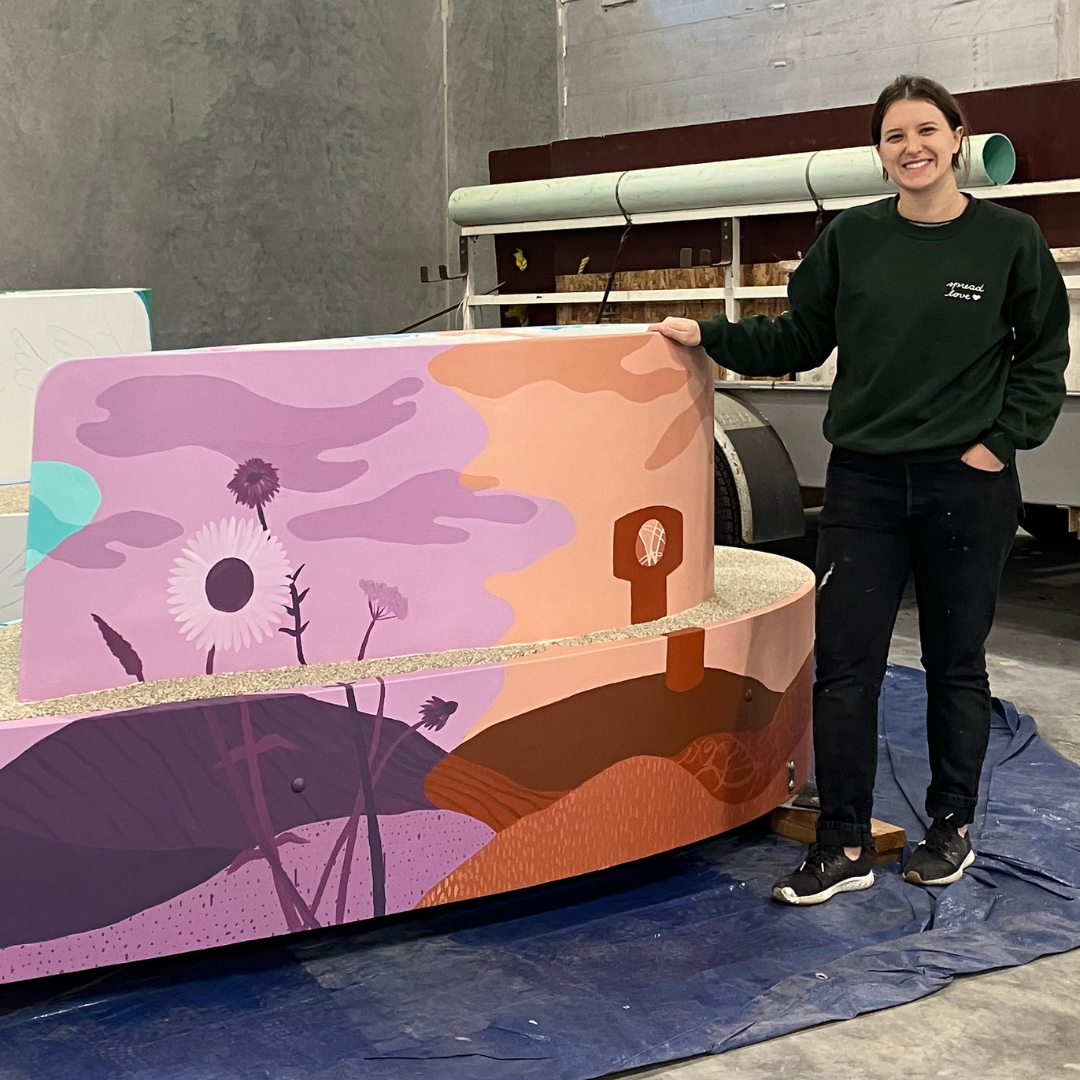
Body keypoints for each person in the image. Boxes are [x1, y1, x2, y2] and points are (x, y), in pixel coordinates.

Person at [653, 74, 1070, 905]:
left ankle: (950, 827)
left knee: (958, 666)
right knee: (845, 668)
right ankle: (842, 843)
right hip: (866, 485)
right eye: (893, 136)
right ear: (880, 156)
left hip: (969, 485)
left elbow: (1043, 355)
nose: (911, 147)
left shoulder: (1010, 241)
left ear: (958, 139)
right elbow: (799, 334)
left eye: (926, 130)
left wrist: (999, 444)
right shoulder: (852, 240)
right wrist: (708, 336)